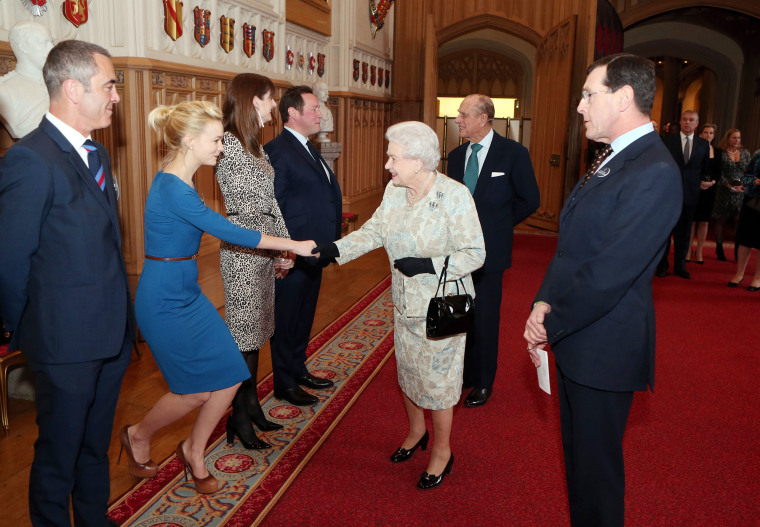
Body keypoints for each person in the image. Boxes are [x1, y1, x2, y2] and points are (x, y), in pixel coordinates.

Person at [125, 101, 316, 495]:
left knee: (232, 373)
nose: (222, 148)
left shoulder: (186, 177)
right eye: (215, 140)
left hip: (187, 293)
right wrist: (292, 244)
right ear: (191, 141)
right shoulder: (173, 187)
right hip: (162, 300)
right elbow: (230, 230)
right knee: (194, 390)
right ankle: (138, 435)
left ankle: (193, 448)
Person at [524, 53, 681, 526]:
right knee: (579, 467)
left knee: (596, 478)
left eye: (589, 94)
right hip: (580, 338)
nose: (579, 106)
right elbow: (572, 247)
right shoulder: (614, 156)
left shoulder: (653, 169)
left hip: (605, 347)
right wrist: (542, 299)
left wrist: (549, 321)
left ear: (624, 97)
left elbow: (609, 272)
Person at [0, 40, 133, 527]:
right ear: (73, 89)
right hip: (63, 343)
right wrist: (32, 333)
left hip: (109, 335)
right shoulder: (31, 160)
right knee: (59, 453)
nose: (116, 96)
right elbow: (10, 260)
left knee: (93, 445)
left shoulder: (94, 151)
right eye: (110, 85)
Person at [313, 121, 485, 489]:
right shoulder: (395, 191)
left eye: (393, 157)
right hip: (404, 303)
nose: (387, 165)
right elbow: (375, 231)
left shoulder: (454, 196)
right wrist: (334, 249)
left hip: (442, 307)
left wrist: (430, 264)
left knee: (438, 384)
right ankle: (415, 431)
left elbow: (476, 253)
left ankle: (442, 451)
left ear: (419, 161)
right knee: (408, 371)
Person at [447, 93, 540, 407]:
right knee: (460, 314)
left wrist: (499, 225)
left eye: (462, 114)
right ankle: (464, 374)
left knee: (485, 318)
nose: (457, 119)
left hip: (491, 253)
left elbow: (530, 199)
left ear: (483, 118)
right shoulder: (456, 156)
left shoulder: (513, 153)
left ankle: (484, 381)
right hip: (458, 253)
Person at [215, 73, 291, 449]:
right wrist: (282, 246)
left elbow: (270, 204)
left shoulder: (252, 145)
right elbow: (249, 213)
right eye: (271, 98)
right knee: (244, 340)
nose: (275, 105)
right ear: (253, 101)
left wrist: (283, 247)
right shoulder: (228, 144)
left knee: (259, 332)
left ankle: (252, 406)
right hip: (243, 254)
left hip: (260, 252)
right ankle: (239, 419)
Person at [264, 85, 342, 406]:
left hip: (314, 252)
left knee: (304, 314)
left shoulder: (308, 147)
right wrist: (284, 251)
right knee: (286, 318)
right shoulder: (277, 150)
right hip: (292, 254)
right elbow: (274, 205)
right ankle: (283, 381)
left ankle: (297, 367)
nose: (320, 113)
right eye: (314, 108)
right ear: (293, 113)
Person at [656, 110, 709, 279]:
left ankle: (680, 266)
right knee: (665, 233)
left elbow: (705, 169)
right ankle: (662, 266)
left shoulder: (703, 144)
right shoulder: (667, 141)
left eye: (691, 120)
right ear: (680, 121)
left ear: (697, 123)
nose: (687, 123)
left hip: (691, 194)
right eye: (685, 119)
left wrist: (708, 182)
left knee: (685, 233)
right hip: (668, 194)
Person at [0, 21, 53, 138]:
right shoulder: (4, 90)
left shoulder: (59, 85)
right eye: (44, 43)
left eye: (51, 42)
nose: (52, 48)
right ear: (23, 46)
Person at [712, 129, 750, 261]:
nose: (737, 140)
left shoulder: (745, 153)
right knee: (721, 220)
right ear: (727, 138)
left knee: (739, 221)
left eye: (739, 138)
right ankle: (719, 248)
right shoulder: (720, 153)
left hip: (740, 192)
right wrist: (729, 186)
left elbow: (748, 172)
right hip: (724, 190)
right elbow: (718, 173)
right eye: (734, 137)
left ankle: (737, 250)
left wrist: (743, 185)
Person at [686, 124, 721, 263]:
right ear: (700, 134)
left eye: (711, 133)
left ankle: (699, 251)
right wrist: (698, 183)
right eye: (705, 132)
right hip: (695, 188)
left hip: (710, 190)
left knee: (704, 222)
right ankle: (688, 250)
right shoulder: (694, 148)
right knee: (692, 221)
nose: (708, 135)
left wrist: (711, 182)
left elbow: (718, 172)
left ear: (714, 135)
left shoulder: (718, 152)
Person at [728, 150, 760, 290]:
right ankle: (739, 274)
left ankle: (758, 278)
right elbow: (745, 177)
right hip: (752, 201)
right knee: (744, 239)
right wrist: (755, 181)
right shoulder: (758, 154)